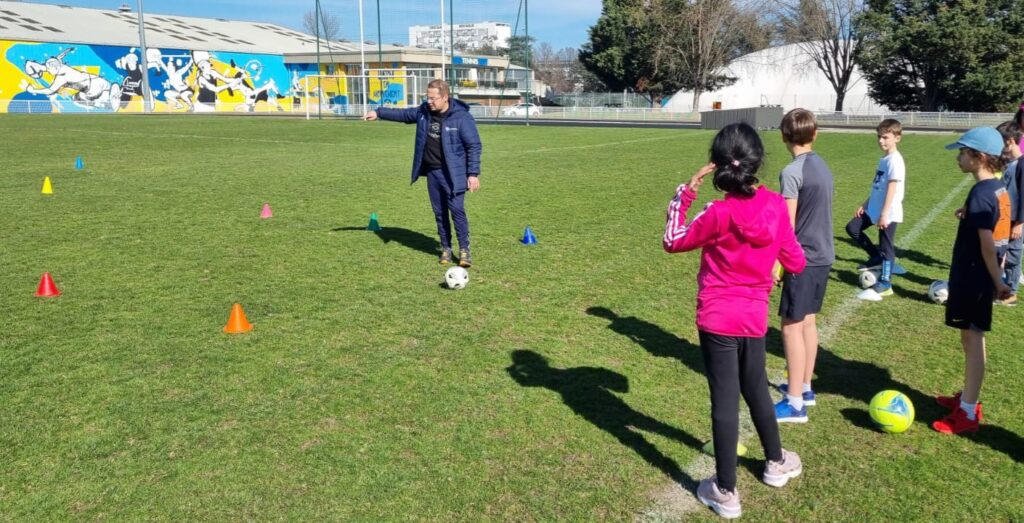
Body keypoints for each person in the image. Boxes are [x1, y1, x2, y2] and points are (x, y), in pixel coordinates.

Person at [663, 123, 806, 519]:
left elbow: (673, 239)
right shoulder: (775, 205)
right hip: (753, 318)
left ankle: (726, 489)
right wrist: (775, 261)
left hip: (717, 318)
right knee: (755, 387)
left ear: (718, 164)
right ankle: (775, 461)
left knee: (726, 399)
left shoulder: (718, 212)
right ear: (757, 161)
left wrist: (685, 193)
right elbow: (796, 261)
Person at [933, 127, 1013, 435]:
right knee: (970, 337)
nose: (958, 157)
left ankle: (968, 411)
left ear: (979, 157)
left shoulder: (981, 193)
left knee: (974, 338)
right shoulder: (995, 187)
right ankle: (968, 395)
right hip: (979, 275)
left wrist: (999, 282)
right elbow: (994, 219)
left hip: (975, 276)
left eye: (962, 152)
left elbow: (987, 245)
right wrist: (968, 213)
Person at [363, 80, 481, 267]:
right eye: (428, 98)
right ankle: (446, 248)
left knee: (457, 211)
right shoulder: (424, 112)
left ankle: (464, 250)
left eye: (433, 98)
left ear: (445, 97)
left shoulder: (461, 118)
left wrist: (473, 173)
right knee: (440, 213)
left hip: (454, 174)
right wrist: (379, 113)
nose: (429, 102)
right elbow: (403, 114)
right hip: (433, 172)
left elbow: (474, 146)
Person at [773, 109, 834, 423]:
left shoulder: (791, 172)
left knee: (791, 326)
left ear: (784, 137)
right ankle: (805, 388)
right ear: (815, 134)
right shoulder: (822, 165)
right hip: (823, 255)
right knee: (808, 322)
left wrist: (777, 263)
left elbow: (787, 224)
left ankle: (794, 403)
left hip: (803, 258)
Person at [846, 119, 908, 302]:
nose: (881, 141)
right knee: (852, 228)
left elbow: (892, 189)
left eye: (885, 137)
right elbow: (878, 186)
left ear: (897, 138)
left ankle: (886, 283)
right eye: (879, 137)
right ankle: (875, 257)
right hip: (873, 208)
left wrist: (884, 214)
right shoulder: (885, 159)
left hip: (888, 212)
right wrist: (865, 204)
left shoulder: (895, 161)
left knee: (886, 247)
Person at [995, 121, 1024, 305]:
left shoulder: (1021, 164)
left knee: (1013, 257)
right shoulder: (1008, 163)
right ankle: (999, 287)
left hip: (1015, 221)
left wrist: (1019, 223)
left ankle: (1011, 294)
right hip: (1004, 218)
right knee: (999, 253)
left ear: (1010, 141)